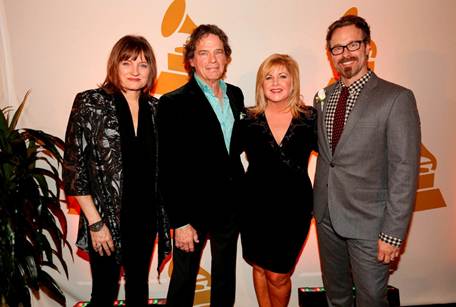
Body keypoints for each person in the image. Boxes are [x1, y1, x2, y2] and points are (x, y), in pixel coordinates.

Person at [313, 15, 421, 307]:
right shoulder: (323, 97)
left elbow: (405, 171)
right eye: (337, 48)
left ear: (368, 47)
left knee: (372, 299)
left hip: (371, 224)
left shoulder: (396, 98)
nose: (345, 53)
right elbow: (329, 158)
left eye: (353, 44)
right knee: (336, 297)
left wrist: (393, 234)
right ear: (330, 55)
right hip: (326, 216)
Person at [63, 35, 171, 307]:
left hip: (145, 219)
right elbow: (74, 169)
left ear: (151, 71)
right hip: (106, 219)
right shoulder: (91, 103)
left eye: (143, 65)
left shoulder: (157, 109)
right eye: (127, 62)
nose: (135, 71)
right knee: (103, 292)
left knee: (138, 290)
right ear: (115, 65)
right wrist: (96, 223)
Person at [158, 24, 244, 307]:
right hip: (191, 212)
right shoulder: (173, 103)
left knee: (224, 279)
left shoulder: (236, 95)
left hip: (230, 207)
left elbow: (231, 151)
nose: (213, 59)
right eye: (204, 53)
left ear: (227, 57)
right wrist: (179, 221)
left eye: (219, 52)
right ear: (191, 60)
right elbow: (168, 168)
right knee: (183, 280)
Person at [239, 54, 317, 307]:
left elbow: (334, 160)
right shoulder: (248, 119)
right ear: (261, 84)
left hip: (294, 210)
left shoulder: (309, 118)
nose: (275, 82)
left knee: (279, 274)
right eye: (268, 77)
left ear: (293, 82)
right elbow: (225, 159)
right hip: (254, 208)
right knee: (260, 268)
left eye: (282, 76)